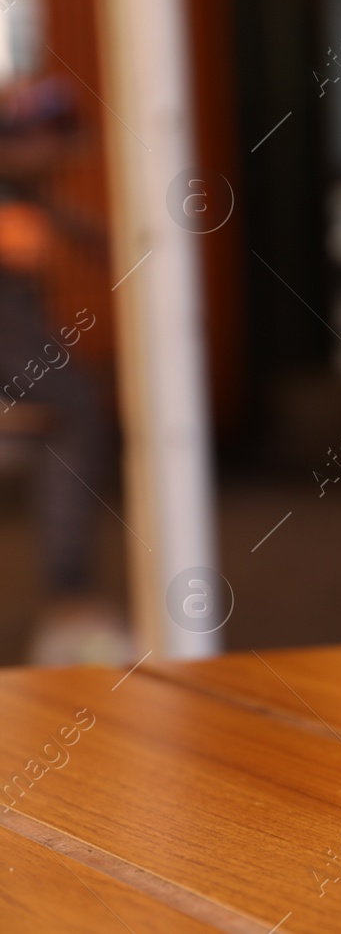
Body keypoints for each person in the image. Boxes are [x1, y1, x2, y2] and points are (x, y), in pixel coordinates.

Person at [0, 76, 127, 664]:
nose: (55, 151)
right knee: (74, 409)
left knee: (71, 405)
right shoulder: (15, 214)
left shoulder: (30, 203)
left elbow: (91, 237)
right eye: (34, 137)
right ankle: (69, 599)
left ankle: (70, 601)